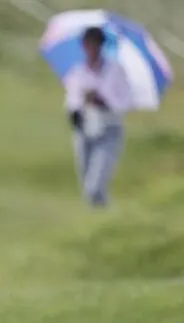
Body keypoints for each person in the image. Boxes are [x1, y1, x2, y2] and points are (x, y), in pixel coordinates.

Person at [64, 26, 134, 207]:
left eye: (95, 44)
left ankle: (107, 217)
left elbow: (125, 100)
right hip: (85, 128)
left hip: (109, 129)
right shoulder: (78, 71)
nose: (91, 48)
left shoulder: (115, 70)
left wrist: (104, 100)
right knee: (86, 181)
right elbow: (72, 99)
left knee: (95, 186)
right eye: (88, 44)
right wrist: (75, 111)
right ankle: (100, 220)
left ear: (101, 45)